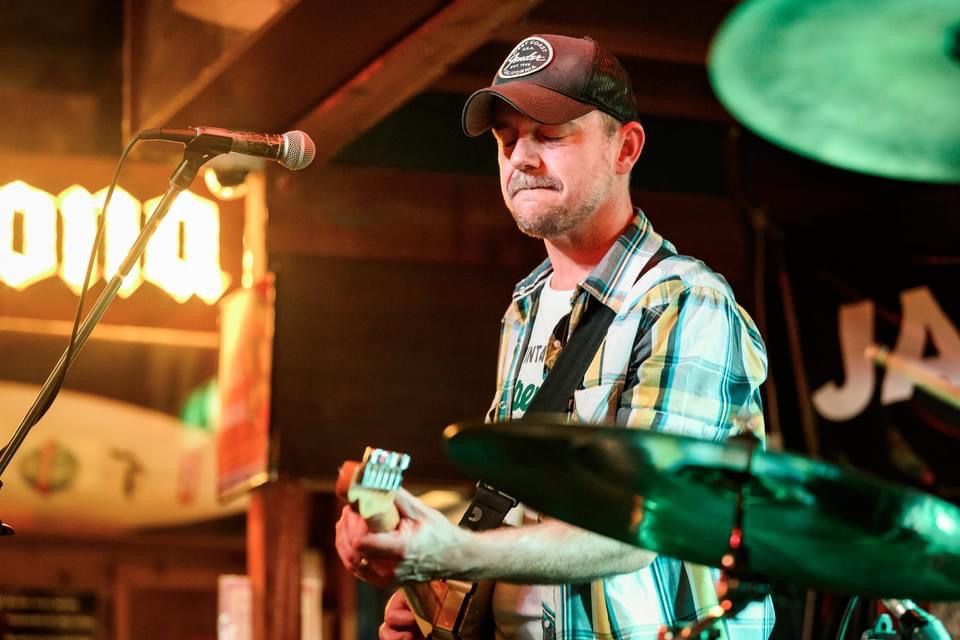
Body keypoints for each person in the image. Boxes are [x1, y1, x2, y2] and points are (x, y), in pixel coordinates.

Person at [335, 34, 776, 640]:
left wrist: (456, 552)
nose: (521, 158)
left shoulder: (684, 301)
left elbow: (641, 527)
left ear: (625, 148)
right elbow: (523, 523)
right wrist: (435, 598)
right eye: (507, 140)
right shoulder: (526, 307)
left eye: (550, 135)